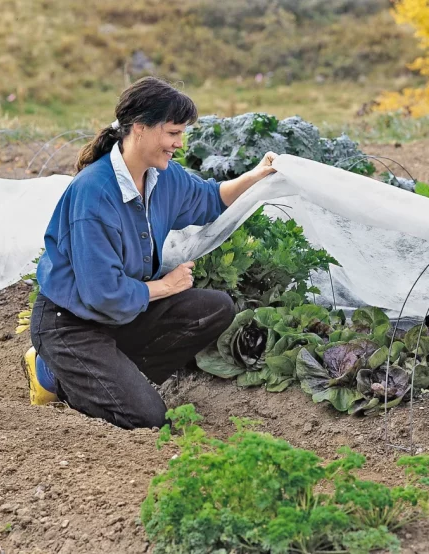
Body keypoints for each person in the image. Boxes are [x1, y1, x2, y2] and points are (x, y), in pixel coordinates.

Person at [24, 76, 277, 429]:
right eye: (173, 133)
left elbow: (210, 199)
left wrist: (257, 176)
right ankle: (57, 373)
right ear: (140, 128)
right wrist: (166, 286)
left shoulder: (162, 177)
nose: (179, 143)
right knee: (145, 418)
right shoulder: (94, 195)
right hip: (72, 322)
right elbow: (102, 293)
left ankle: (109, 372)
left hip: (119, 315)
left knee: (214, 309)